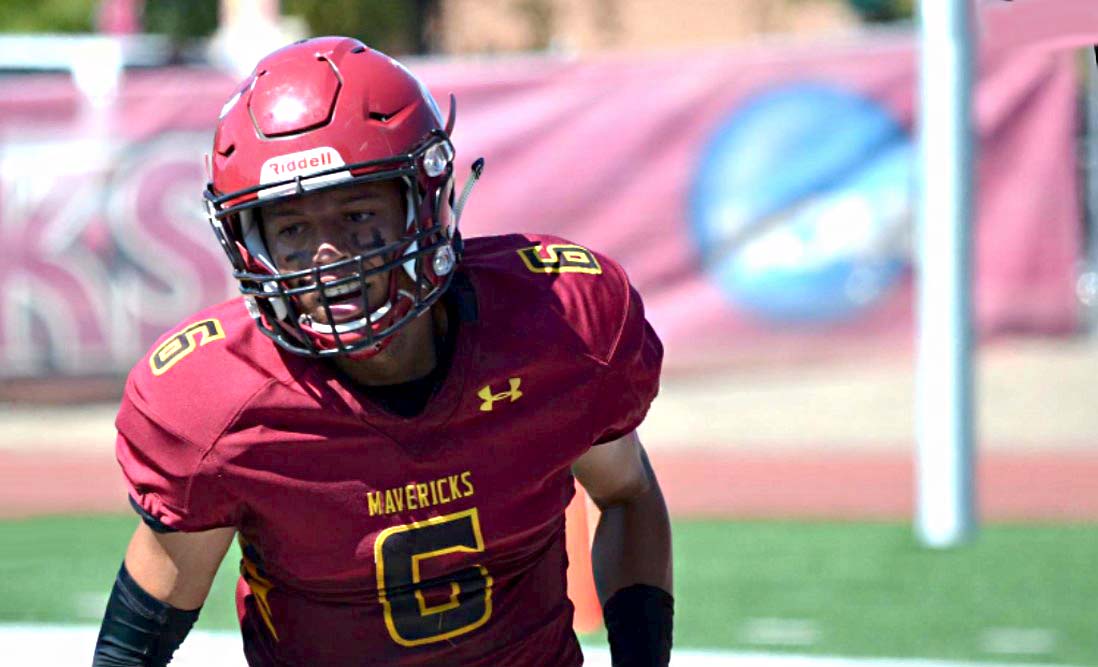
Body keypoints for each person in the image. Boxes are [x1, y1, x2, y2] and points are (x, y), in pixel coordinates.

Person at [92, 36, 672, 667]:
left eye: (358, 214)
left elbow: (627, 493)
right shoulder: (216, 403)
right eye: (291, 228)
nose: (328, 256)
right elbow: (140, 634)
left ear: (425, 198)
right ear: (247, 242)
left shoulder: (555, 327)